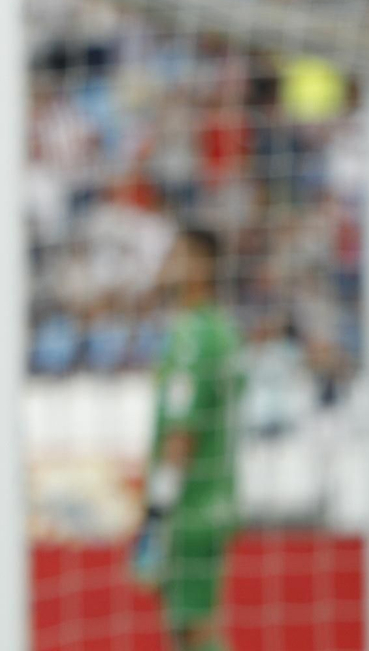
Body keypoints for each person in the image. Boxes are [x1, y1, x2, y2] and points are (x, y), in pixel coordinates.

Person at [133, 227, 243, 651]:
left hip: (191, 506)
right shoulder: (222, 329)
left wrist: (157, 516)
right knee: (188, 629)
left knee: (194, 629)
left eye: (175, 255)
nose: (165, 264)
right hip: (219, 497)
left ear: (201, 266)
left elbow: (183, 431)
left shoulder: (192, 337)